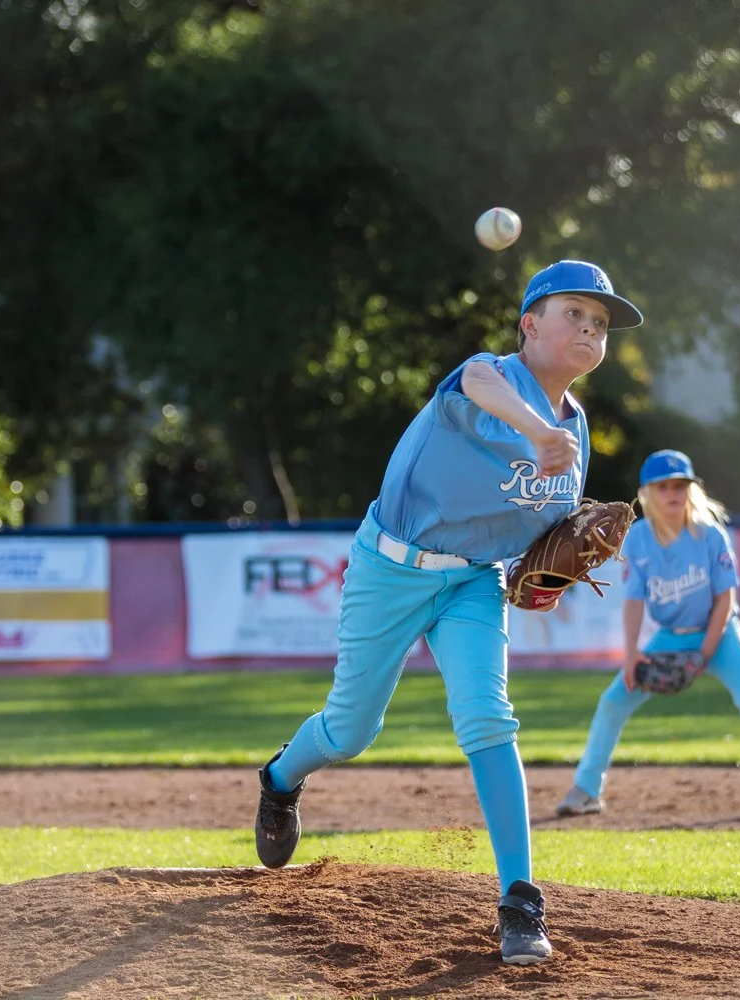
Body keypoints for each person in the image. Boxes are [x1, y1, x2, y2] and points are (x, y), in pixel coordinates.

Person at [253, 259, 643, 966]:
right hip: (391, 567)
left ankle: (521, 900)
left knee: (487, 716)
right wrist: (536, 430)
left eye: (600, 323)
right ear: (530, 324)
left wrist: (548, 574)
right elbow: (478, 385)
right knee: (351, 728)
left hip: (473, 582)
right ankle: (280, 780)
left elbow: (540, 535)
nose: (589, 328)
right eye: (573, 314)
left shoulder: (576, 429)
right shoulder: (488, 377)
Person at [556, 449, 740, 818]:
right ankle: (586, 789)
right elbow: (633, 602)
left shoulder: (710, 536)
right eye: (663, 486)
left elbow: (725, 599)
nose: (672, 493)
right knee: (613, 700)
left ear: (690, 490)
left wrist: (705, 653)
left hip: (721, 633)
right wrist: (631, 653)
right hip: (670, 635)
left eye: (679, 485)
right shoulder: (638, 539)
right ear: (646, 493)